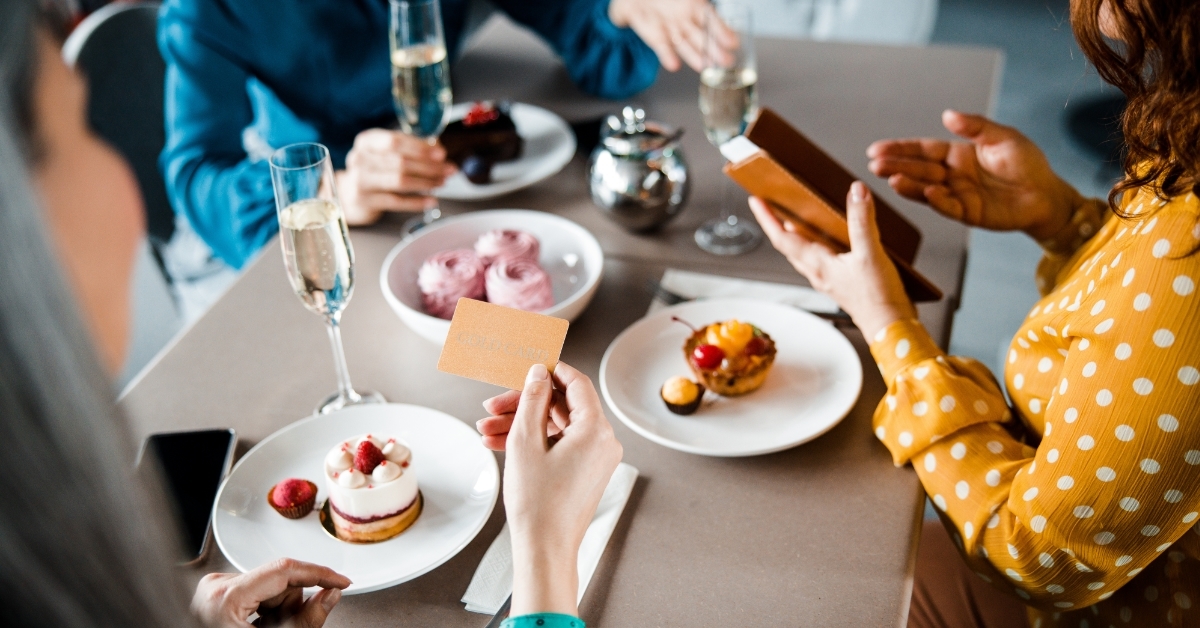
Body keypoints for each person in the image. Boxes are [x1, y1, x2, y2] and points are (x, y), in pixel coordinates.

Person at [0, 2, 623, 626]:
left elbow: (605, 49)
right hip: (334, 239)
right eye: (83, 130)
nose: (126, 186)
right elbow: (193, 178)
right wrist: (546, 547)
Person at [747, 1, 1199, 626]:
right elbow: (1136, 322)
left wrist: (891, 329)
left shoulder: (1188, 269)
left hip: (1123, 605)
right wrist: (1065, 220)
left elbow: (1040, 560)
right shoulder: (1188, 155)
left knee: (812, 585)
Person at [157, 0, 733, 280]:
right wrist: (334, 188)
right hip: (349, 227)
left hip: (494, 197)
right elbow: (195, 175)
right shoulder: (207, 11)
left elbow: (603, 55)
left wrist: (619, 5)